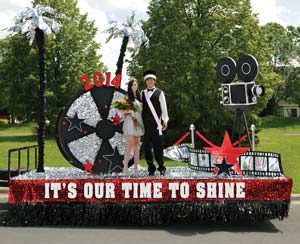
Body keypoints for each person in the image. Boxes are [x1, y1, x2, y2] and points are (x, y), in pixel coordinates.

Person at [141, 70, 169, 176]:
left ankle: (161, 167)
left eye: (151, 80)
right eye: (148, 80)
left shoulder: (160, 93)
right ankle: (151, 168)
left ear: (154, 81)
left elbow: (164, 107)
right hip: (146, 125)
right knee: (147, 148)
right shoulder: (142, 93)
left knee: (158, 148)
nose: (149, 82)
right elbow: (140, 108)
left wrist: (165, 120)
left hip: (157, 125)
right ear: (146, 82)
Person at [122, 79, 144, 175]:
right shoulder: (127, 98)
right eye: (133, 85)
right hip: (130, 122)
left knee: (137, 146)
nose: (135, 86)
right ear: (130, 86)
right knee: (130, 144)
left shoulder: (139, 97)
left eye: (136, 84)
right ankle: (125, 168)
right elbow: (122, 111)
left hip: (138, 122)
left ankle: (135, 169)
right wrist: (129, 112)